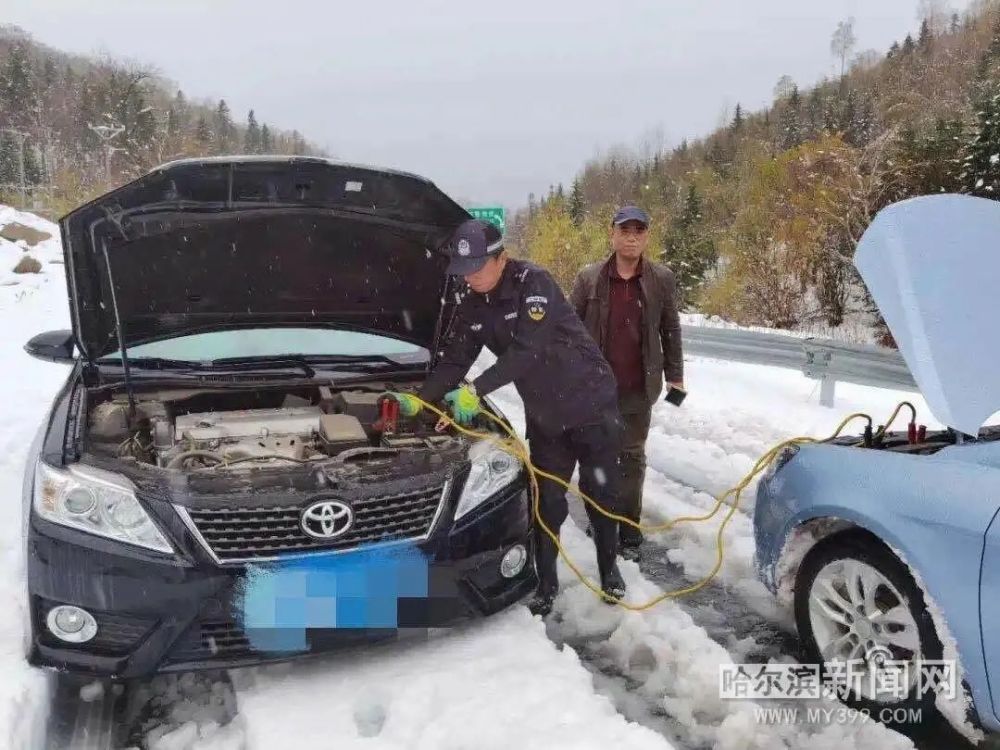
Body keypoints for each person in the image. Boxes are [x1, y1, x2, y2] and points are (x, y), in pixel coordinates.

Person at [386, 218, 626, 617]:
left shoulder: (535, 285)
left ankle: (609, 569)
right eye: (463, 272)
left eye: (478, 268)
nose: (471, 278)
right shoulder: (471, 302)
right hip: (548, 416)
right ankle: (546, 584)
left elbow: (526, 351)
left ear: (501, 259)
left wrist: (475, 390)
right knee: (547, 503)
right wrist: (420, 400)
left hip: (591, 405)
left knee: (602, 495)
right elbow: (455, 360)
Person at [570, 206, 684, 559]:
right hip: (595, 390)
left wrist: (675, 376)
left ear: (647, 236)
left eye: (639, 230)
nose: (632, 236)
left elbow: (670, 329)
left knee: (632, 459)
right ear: (613, 234)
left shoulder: (660, 278)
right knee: (596, 460)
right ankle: (601, 524)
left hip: (638, 388)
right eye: (625, 229)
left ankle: (629, 530)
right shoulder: (589, 278)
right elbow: (569, 327)